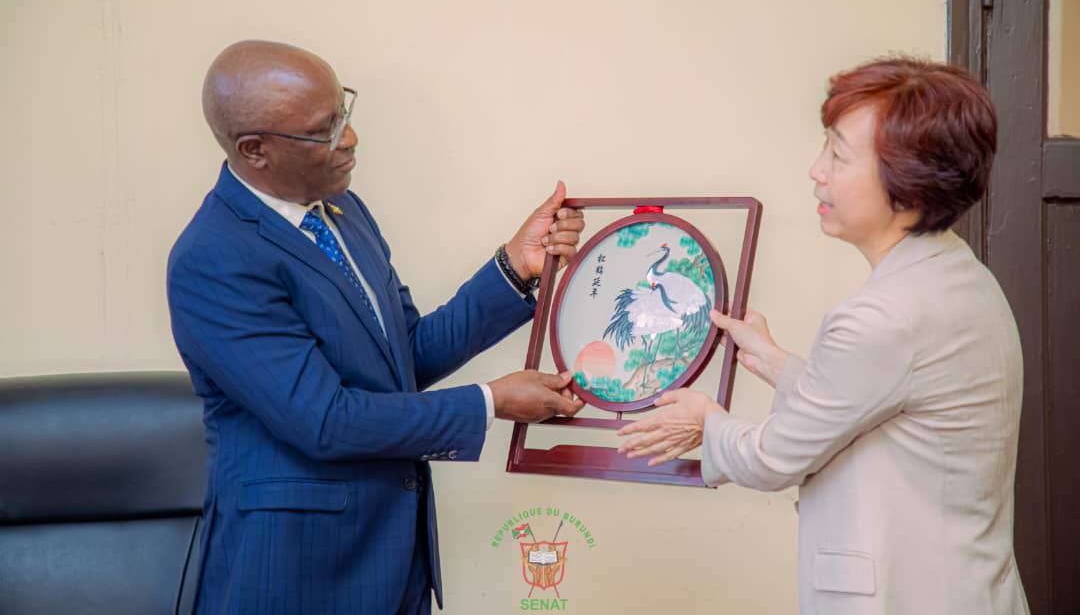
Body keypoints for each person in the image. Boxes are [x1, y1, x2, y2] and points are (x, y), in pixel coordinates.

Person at [166, 40, 585, 615]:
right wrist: (491, 402)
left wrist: (515, 267)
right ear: (254, 149)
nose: (350, 137)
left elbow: (403, 359)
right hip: (296, 571)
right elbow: (326, 421)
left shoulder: (344, 213)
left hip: (391, 553)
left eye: (344, 112)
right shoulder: (213, 258)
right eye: (324, 129)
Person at [618, 57, 1029, 614]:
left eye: (838, 154)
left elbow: (771, 458)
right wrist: (773, 361)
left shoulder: (881, 316)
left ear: (907, 185)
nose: (817, 170)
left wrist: (706, 421)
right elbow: (875, 399)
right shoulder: (959, 275)